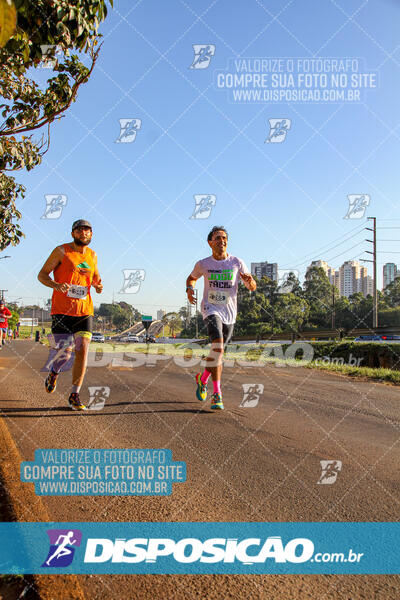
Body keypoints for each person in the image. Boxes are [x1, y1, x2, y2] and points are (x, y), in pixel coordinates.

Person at [186, 226, 256, 410]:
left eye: (224, 238)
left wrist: (249, 281)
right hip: (210, 309)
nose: (222, 241)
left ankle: (202, 379)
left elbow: (252, 286)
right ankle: (217, 394)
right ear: (210, 242)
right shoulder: (203, 264)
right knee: (217, 347)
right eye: (217, 238)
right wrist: (190, 289)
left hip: (230, 312)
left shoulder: (237, 262)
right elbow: (191, 278)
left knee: (218, 352)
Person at [38, 219, 103, 410]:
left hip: (84, 311)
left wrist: (99, 286)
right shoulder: (61, 251)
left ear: (91, 235)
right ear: (73, 233)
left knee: (82, 349)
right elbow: (42, 275)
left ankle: (74, 394)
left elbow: (96, 280)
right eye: (81, 230)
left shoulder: (93, 255)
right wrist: (56, 285)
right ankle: (54, 372)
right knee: (64, 356)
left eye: (88, 231)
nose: (85, 233)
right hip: (61, 310)